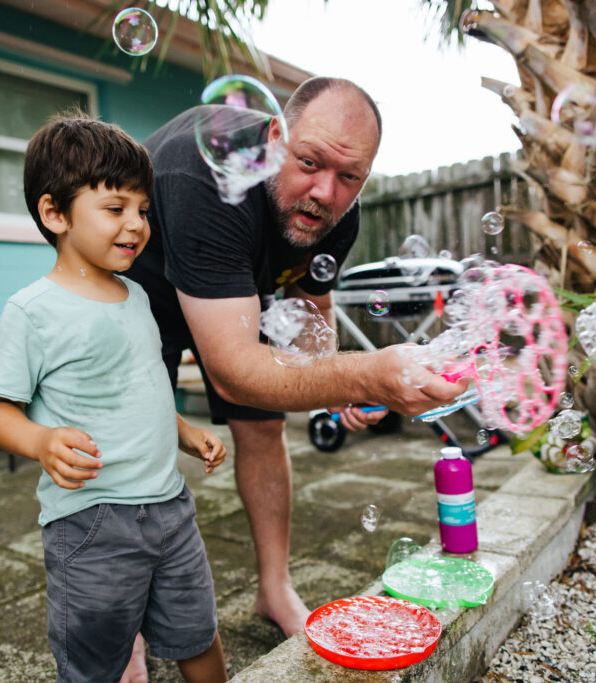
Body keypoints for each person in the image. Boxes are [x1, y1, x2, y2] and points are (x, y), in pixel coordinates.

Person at [126, 77, 469, 640]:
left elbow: (311, 306)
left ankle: (274, 586)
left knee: (263, 430)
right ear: (276, 137)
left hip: (235, 284)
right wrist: (367, 373)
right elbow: (236, 373)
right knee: (135, 445)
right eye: (309, 162)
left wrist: (340, 388)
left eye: (349, 177)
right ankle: (129, 628)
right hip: (143, 285)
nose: (325, 193)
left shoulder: (338, 213)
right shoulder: (204, 175)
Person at [0, 113, 229, 683]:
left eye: (143, 210)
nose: (137, 224)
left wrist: (183, 432)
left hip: (171, 509)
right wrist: (40, 441)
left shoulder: (138, 295)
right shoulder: (31, 310)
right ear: (54, 213)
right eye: (116, 208)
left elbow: (138, 386)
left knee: (198, 632)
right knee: (95, 660)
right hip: (91, 524)